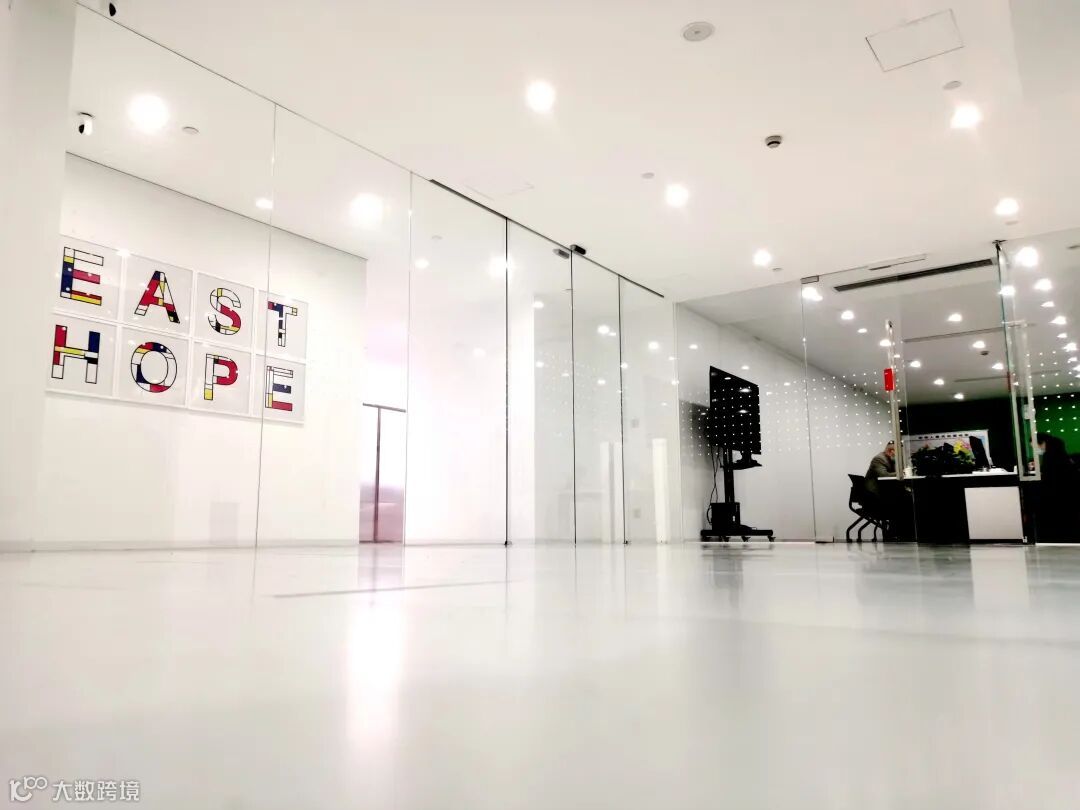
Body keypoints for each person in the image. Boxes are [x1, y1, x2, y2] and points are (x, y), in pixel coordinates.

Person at [1035, 432, 1079, 541]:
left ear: (1042, 443)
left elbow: (1049, 478)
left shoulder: (1049, 457)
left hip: (1056, 494)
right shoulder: (1060, 453)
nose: (1037, 449)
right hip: (1069, 494)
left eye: (1036, 446)